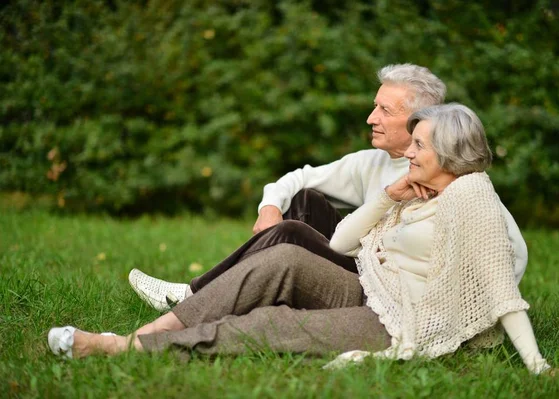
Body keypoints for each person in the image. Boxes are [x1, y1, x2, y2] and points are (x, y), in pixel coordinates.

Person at [48, 103, 551, 374]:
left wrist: (536, 364)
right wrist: (389, 196)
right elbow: (342, 244)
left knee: (273, 324)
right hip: (373, 288)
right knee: (284, 255)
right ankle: (153, 330)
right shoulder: (414, 190)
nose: (409, 152)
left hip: (402, 324)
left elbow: (503, 291)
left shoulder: (473, 197)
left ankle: (122, 350)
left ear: (448, 151)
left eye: (418, 144)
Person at [127, 64, 528, 312]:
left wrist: (476, 304)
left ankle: (191, 296)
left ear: (420, 118)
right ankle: (257, 292)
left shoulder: (456, 177)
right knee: (304, 202)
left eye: (384, 110)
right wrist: (269, 206)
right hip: (357, 261)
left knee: (293, 233)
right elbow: (296, 179)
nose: (371, 117)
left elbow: (511, 249)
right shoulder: (371, 162)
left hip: (389, 288)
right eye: (375, 105)